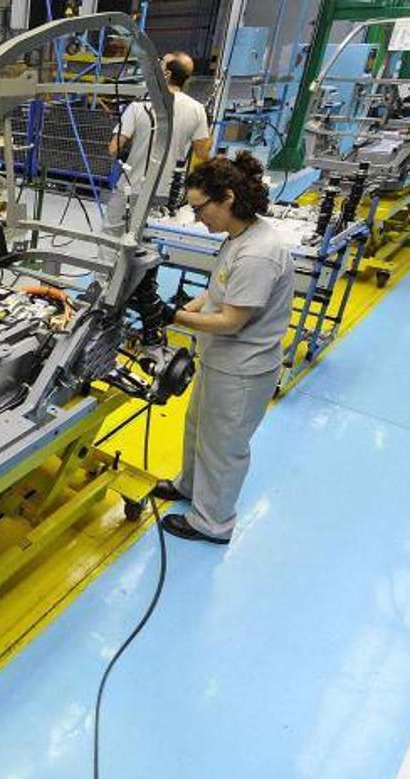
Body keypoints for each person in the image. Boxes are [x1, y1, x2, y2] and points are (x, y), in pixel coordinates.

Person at [153, 152, 295, 543]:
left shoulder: (258, 254)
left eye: (201, 209)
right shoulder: (238, 236)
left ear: (227, 199)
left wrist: (171, 317)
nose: (198, 218)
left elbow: (232, 320)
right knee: (198, 427)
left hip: (243, 369)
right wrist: (183, 307)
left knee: (223, 446)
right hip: (220, 359)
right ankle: (189, 486)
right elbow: (217, 293)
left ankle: (212, 522)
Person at [104, 51, 212, 241]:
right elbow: (202, 154)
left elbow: (114, 149)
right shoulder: (197, 110)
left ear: (167, 75)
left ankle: (107, 272)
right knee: (147, 239)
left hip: (132, 187)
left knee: (112, 236)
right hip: (165, 192)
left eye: (161, 64)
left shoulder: (141, 105)